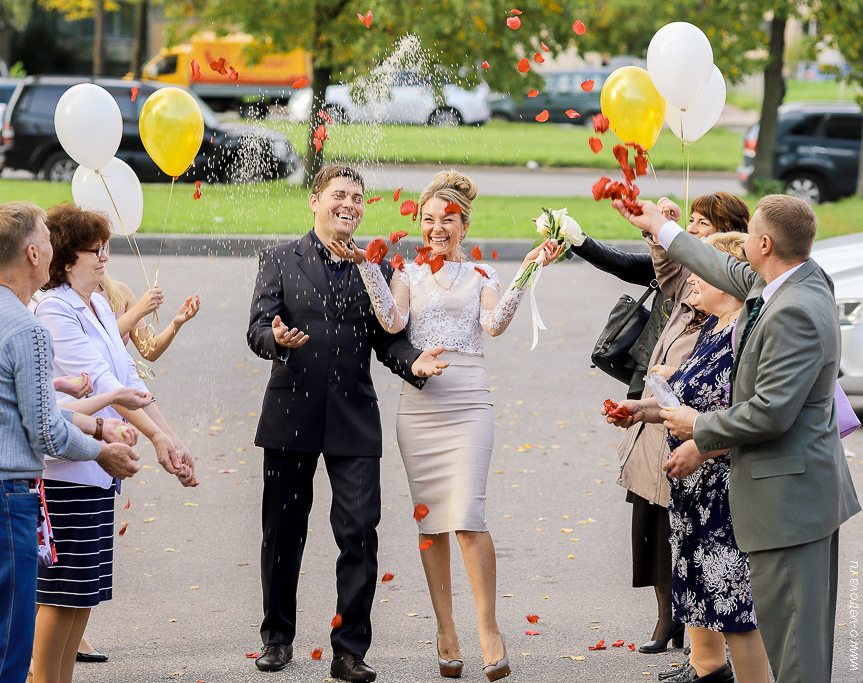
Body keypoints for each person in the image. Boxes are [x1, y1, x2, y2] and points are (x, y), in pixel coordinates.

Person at [614, 193, 861, 683]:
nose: (741, 244)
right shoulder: (793, 279)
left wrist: (698, 426)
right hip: (791, 495)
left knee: (796, 653)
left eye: (749, 236)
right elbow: (717, 265)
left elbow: (771, 412)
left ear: (764, 244)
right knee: (792, 641)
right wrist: (659, 227)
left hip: (790, 503)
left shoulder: (794, 309)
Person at [331, 170, 561, 681]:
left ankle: (489, 630)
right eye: (429, 219)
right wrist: (368, 266)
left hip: (469, 403)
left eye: (448, 220)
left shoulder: (482, 275)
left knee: (469, 518)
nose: (437, 228)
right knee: (432, 524)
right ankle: (445, 629)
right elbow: (392, 322)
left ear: (464, 224)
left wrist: (527, 270)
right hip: (420, 408)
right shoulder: (406, 273)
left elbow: (494, 324)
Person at [246, 164, 447, 683]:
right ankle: (276, 638)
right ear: (315, 200)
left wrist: (415, 362)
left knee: (359, 532)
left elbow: (388, 339)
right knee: (283, 533)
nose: (349, 205)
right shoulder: (279, 259)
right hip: (290, 415)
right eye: (339, 194)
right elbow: (257, 329)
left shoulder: (373, 265)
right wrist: (275, 340)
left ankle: (349, 651)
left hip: (353, 419)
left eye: (357, 198)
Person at [0, 201, 141, 682]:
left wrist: (93, 423)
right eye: (47, 238)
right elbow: (45, 431)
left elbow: (6, 402)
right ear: (32, 253)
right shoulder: (27, 328)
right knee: (3, 647)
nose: (52, 246)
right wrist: (103, 451)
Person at [572, 193, 750, 654]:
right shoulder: (701, 294)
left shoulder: (734, 320)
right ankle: (682, 634)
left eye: (701, 225)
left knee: (710, 563)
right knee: (664, 535)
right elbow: (666, 270)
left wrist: (661, 229)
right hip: (669, 429)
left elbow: (735, 405)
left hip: (705, 453)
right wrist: (642, 407)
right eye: (688, 224)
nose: (691, 233)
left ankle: (702, 649)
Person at [32, 204, 199, 683]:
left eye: (106, 247)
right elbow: (105, 384)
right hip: (65, 470)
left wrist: (171, 439)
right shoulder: (54, 309)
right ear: (67, 259)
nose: (105, 257)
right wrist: (155, 436)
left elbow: (130, 378)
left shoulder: (99, 305)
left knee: (83, 596)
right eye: (95, 250)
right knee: (61, 596)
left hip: (99, 469)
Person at [606, 233, 769, 683]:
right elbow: (685, 399)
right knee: (696, 584)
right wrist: (641, 410)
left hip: (725, 487)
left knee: (732, 601)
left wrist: (702, 445)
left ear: (729, 280)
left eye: (701, 271)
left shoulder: (743, 336)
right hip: (691, 485)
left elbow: (749, 416)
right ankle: (706, 668)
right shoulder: (711, 326)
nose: (691, 279)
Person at [99, 273, 200, 362]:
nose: (104, 258)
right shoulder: (88, 297)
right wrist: (139, 309)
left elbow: (149, 350)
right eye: (95, 255)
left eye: (105, 252)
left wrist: (176, 323)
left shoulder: (120, 291)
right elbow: (97, 341)